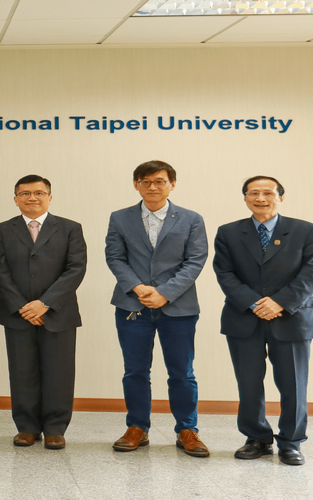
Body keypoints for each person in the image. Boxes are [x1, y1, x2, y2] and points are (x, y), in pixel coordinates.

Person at [214, 176, 313, 466]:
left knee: (294, 384)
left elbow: (312, 274)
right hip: (244, 318)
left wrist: (279, 303)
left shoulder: (306, 230)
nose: (260, 198)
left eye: (267, 193)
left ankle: (291, 442)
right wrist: (254, 303)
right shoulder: (228, 232)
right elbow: (224, 273)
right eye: (253, 193)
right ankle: (257, 439)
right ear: (245, 197)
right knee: (248, 383)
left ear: (280, 197)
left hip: (293, 317)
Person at [104, 160, 209, 457]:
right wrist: (138, 288)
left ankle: (187, 430)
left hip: (179, 307)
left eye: (159, 181)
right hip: (131, 305)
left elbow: (195, 260)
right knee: (135, 371)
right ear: (136, 184)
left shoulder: (191, 219)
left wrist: (165, 293)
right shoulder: (120, 218)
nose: (153, 187)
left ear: (172, 184)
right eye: (146, 181)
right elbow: (115, 258)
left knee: (182, 372)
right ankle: (137, 427)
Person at [0, 175, 86, 450]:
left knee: (60, 372)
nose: (32, 198)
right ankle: (27, 427)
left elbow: (76, 268)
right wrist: (23, 306)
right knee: (22, 372)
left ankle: (55, 428)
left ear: (50, 197)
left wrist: (45, 303)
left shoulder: (69, 228)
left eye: (39, 193)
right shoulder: (2, 229)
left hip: (58, 313)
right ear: (16, 198)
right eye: (25, 193)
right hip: (17, 314)